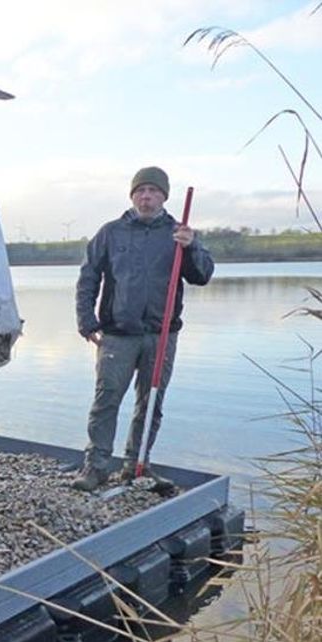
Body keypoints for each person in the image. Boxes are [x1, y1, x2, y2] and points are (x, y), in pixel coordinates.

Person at [72, 166, 214, 491]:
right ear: (132, 195)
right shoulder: (111, 232)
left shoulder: (180, 234)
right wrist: (86, 321)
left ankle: (138, 465)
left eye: (153, 191)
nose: (146, 196)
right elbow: (88, 278)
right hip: (117, 335)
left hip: (162, 334)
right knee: (106, 400)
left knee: (150, 403)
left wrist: (191, 247)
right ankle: (95, 468)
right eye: (140, 191)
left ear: (164, 195)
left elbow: (202, 276)